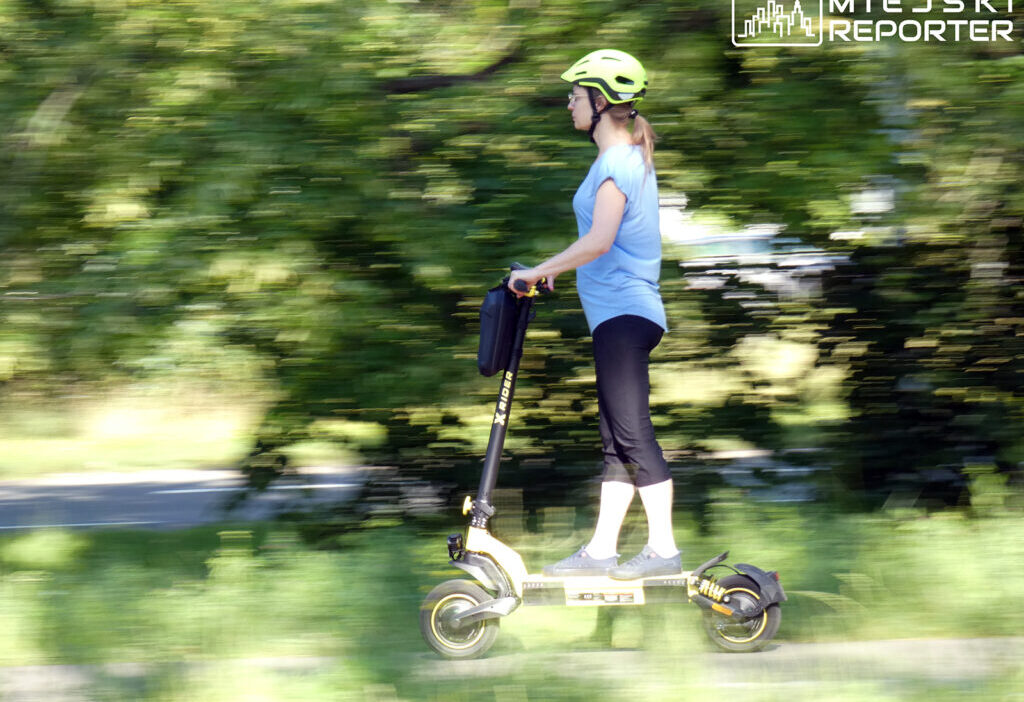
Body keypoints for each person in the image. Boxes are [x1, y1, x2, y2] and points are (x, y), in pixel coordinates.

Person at [508, 49, 679, 581]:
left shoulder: (617, 161)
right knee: (615, 439)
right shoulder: (621, 159)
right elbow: (600, 240)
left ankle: (663, 549)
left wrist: (537, 270)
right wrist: (559, 265)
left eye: (575, 96)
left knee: (632, 433)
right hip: (618, 313)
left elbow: (600, 242)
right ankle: (602, 551)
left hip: (625, 313)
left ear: (600, 102)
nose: (568, 104)